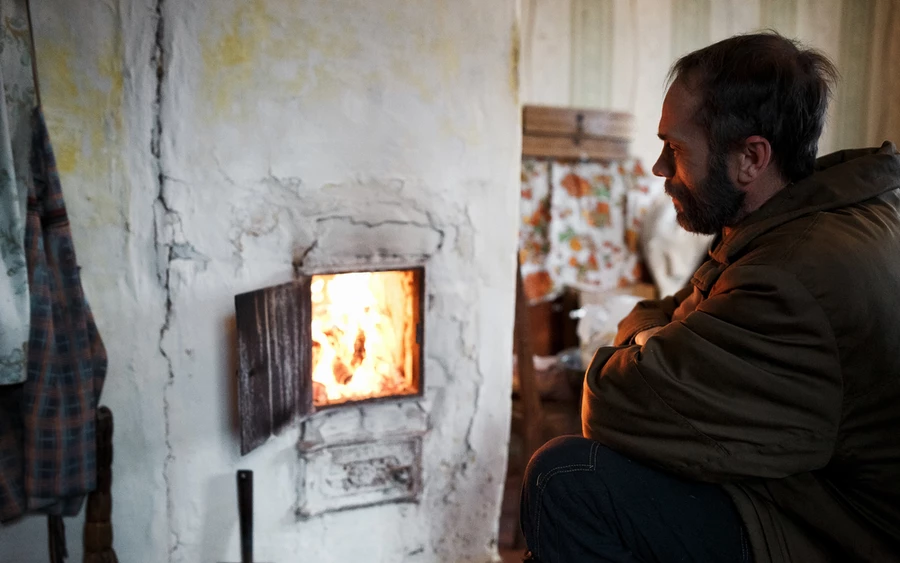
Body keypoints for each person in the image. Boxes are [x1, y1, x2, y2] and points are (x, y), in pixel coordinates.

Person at [519, 32, 900, 563]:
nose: (659, 168)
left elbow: (613, 404)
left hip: (835, 534)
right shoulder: (805, 217)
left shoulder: (790, 275)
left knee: (567, 477)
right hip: (807, 490)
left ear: (751, 157)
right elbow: (670, 312)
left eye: (674, 149)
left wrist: (646, 341)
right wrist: (656, 336)